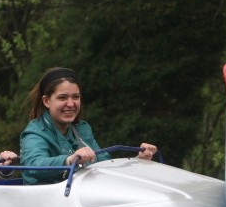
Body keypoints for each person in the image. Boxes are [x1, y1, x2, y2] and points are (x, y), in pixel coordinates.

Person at [19, 67, 158, 185]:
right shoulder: (34, 133)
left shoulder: (81, 129)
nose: (71, 103)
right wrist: (69, 160)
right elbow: (34, 165)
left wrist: (137, 161)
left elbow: (104, 164)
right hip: (47, 204)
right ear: (47, 101)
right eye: (62, 98)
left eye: (75, 97)